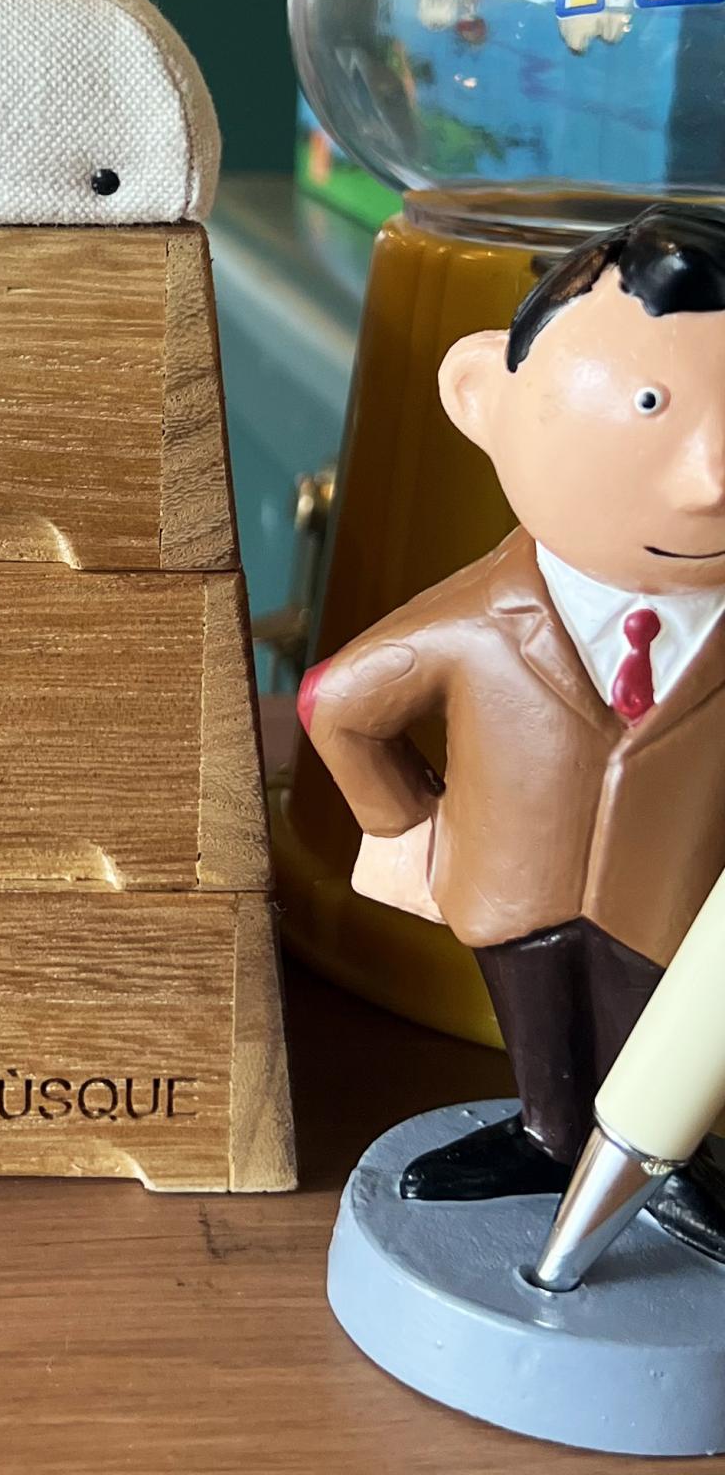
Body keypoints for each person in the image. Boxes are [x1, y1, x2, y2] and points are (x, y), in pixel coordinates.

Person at [302, 203, 725, 1260]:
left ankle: (662, 1164)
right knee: (539, 1026)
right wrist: (405, 829)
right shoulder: (478, 621)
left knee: (662, 1043)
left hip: (677, 900)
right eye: (650, 406)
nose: (711, 479)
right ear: (483, 399)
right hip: (510, 882)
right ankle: (547, 1134)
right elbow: (337, 706)